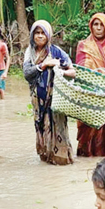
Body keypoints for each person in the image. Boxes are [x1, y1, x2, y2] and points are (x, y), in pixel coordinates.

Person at [23, 20, 76, 165]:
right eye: (37, 33)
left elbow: (73, 72)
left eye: (43, 33)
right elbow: (27, 74)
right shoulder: (30, 53)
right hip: (38, 102)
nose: (40, 36)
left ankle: (61, 159)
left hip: (56, 99)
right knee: (41, 127)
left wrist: (59, 69)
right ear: (33, 35)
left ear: (48, 35)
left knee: (57, 127)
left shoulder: (56, 52)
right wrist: (44, 65)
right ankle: (46, 159)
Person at [75, 13, 105, 157]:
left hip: (104, 95)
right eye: (95, 24)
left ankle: (100, 161)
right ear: (91, 26)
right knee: (86, 130)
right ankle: (84, 160)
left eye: (101, 25)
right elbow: (80, 69)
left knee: (102, 129)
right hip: (87, 94)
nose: (98, 28)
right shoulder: (83, 45)